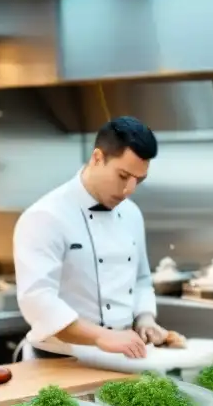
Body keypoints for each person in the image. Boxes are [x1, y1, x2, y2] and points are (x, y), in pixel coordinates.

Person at [13, 116, 167, 362]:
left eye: (139, 180)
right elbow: (37, 298)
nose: (129, 190)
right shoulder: (45, 216)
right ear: (97, 158)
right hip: (56, 362)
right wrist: (99, 336)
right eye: (123, 175)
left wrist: (145, 319)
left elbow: (140, 279)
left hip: (121, 360)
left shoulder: (132, 214)